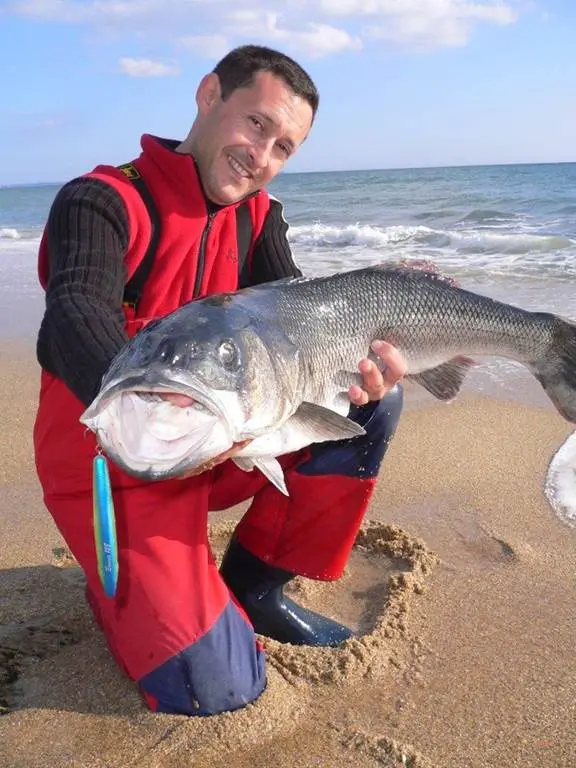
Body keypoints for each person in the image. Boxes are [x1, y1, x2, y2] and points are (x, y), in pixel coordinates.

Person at [33, 44, 407, 717]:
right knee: (221, 689)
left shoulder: (260, 218)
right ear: (209, 96)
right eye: (257, 125)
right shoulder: (102, 200)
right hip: (116, 457)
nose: (262, 156)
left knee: (367, 405)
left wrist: (357, 366)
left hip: (226, 438)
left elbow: (299, 320)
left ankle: (256, 587)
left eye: (284, 146)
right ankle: (122, 587)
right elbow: (73, 313)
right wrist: (145, 402)